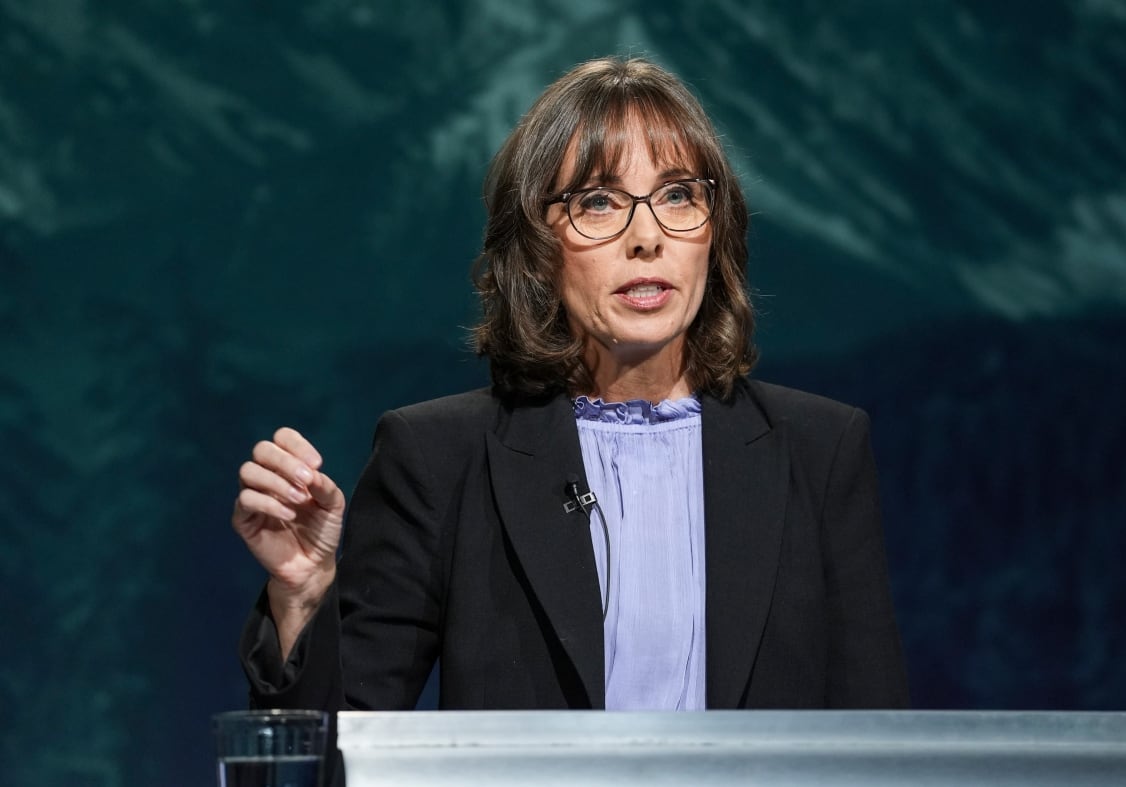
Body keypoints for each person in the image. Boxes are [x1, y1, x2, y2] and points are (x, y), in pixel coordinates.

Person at [233, 56, 909, 715]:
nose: (647, 236)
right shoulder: (438, 457)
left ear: (715, 230)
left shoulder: (819, 450)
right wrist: (301, 589)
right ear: (536, 249)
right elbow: (336, 753)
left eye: (678, 194)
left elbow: (880, 748)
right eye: (598, 201)